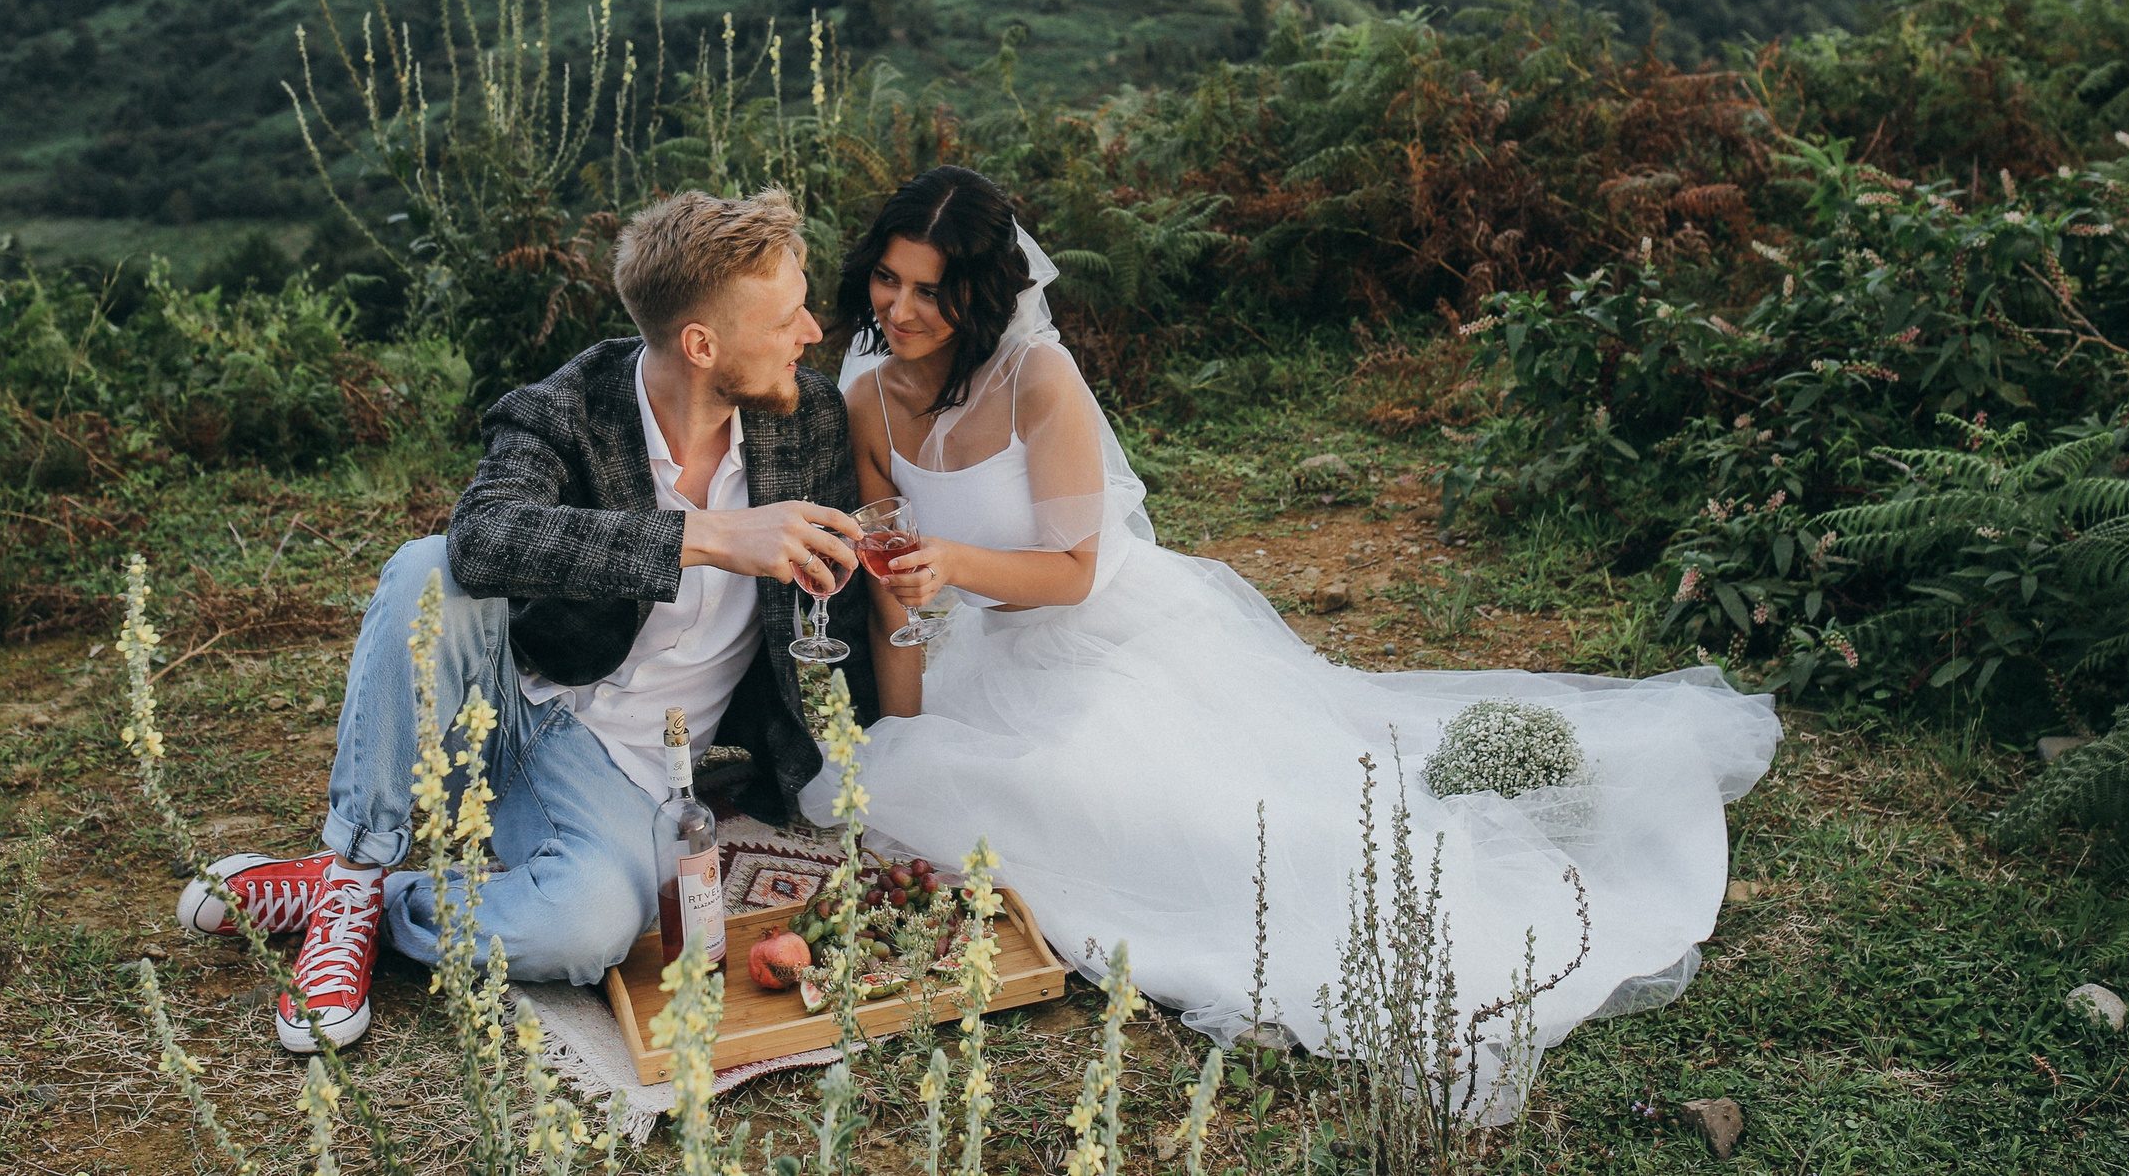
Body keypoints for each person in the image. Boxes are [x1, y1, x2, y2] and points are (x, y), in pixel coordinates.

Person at [816, 165, 1782, 1088]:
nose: (899, 310)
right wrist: (902, 733)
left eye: (930, 292)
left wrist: (957, 566)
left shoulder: (1040, 379)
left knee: (1182, 819)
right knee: (930, 794)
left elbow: (1074, 571)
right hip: (980, 655)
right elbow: (891, 583)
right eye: (888, 280)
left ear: (980, 296)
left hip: (1097, 635)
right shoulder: (870, 399)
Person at [175, 188, 869, 1053]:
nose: (812, 335)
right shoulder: (566, 407)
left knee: (587, 930)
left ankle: (363, 900)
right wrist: (707, 536)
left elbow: (825, 610)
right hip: (505, 708)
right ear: (702, 345)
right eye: (789, 319)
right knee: (430, 568)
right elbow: (486, 534)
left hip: (628, 773)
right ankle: (354, 869)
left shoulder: (807, 422)